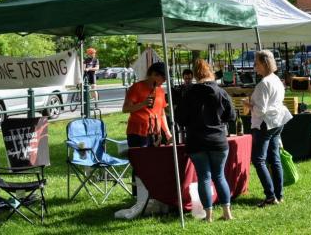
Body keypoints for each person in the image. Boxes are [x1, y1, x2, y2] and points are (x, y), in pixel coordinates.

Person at [175, 59, 235, 222]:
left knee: (204, 177)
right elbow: (231, 116)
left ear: (194, 75)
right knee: (219, 176)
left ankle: (208, 216)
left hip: (196, 140)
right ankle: (227, 213)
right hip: (218, 139)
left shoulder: (189, 94)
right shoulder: (221, 92)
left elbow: (180, 118)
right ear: (211, 73)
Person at [242, 50, 292, 207]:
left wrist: (248, 105)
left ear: (264, 63)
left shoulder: (264, 84)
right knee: (274, 158)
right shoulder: (276, 79)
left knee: (259, 160)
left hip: (266, 123)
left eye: (256, 63)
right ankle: (279, 194)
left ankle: (271, 196)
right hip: (277, 121)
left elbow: (261, 110)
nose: (254, 66)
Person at [122, 62, 173, 147]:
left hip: (155, 132)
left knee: (154, 159)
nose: (164, 81)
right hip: (137, 133)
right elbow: (125, 109)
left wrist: (167, 132)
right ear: (154, 74)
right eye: (163, 78)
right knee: (141, 159)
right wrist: (143, 104)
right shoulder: (136, 87)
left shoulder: (160, 90)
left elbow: (161, 113)